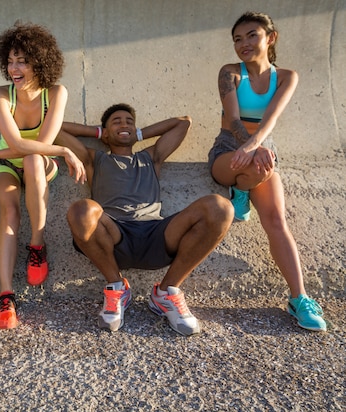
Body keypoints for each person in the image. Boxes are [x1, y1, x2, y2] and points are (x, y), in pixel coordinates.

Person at [56, 104, 234, 335]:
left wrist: (136, 135)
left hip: (156, 233)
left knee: (220, 207)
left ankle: (166, 292)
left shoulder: (151, 156)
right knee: (81, 210)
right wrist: (100, 133)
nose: (124, 124)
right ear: (106, 133)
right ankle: (116, 287)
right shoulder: (94, 159)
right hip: (113, 233)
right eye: (117, 121)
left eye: (129, 121)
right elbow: (55, 128)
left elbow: (183, 122)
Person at [207, 12, 326, 331]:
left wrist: (258, 146)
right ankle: (241, 188)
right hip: (227, 149)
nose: (243, 43)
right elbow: (233, 120)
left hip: (262, 152)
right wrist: (249, 146)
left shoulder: (287, 76)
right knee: (252, 161)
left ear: (270, 38)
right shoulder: (230, 73)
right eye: (237, 39)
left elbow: (271, 118)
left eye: (251, 35)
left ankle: (299, 298)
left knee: (275, 219)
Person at [0, 22, 86, 330]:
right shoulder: (1, 94)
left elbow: (41, 146)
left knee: (35, 159)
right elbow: (16, 144)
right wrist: (62, 151)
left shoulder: (55, 93)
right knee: (9, 212)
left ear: (40, 62)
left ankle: (37, 246)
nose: (14, 68)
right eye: (10, 61)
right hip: (8, 164)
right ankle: (6, 296)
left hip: (37, 163)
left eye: (22, 61)